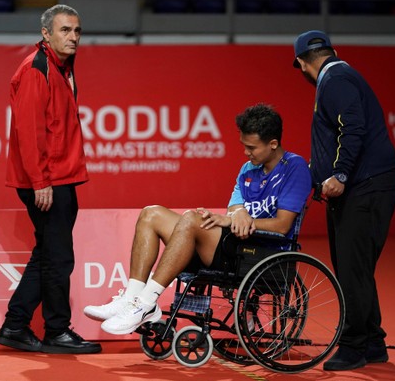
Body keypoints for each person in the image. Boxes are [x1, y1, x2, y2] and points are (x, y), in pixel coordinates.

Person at [83, 103, 312, 335]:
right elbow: (234, 206)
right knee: (150, 214)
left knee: (192, 219)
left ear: (273, 144)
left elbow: (283, 225)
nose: (246, 153)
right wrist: (237, 213)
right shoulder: (248, 169)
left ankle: (145, 304)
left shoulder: (295, 167)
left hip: (261, 252)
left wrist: (237, 220)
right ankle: (132, 297)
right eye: (244, 146)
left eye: (252, 147)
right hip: (232, 244)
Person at [292, 30, 395, 371]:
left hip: (364, 187)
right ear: (332, 50)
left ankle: (354, 346)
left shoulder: (335, 79)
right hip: (364, 187)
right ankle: (372, 341)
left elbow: (352, 128)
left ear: (301, 64)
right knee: (356, 269)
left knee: (353, 270)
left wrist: (339, 174)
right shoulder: (340, 75)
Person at [0, 4, 101, 355]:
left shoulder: (62, 66)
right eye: (65, 30)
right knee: (58, 258)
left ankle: (15, 324)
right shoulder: (36, 69)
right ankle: (57, 331)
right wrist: (41, 181)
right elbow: (29, 133)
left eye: (77, 31)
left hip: (60, 177)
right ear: (46, 34)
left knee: (47, 255)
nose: (73, 37)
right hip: (48, 181)